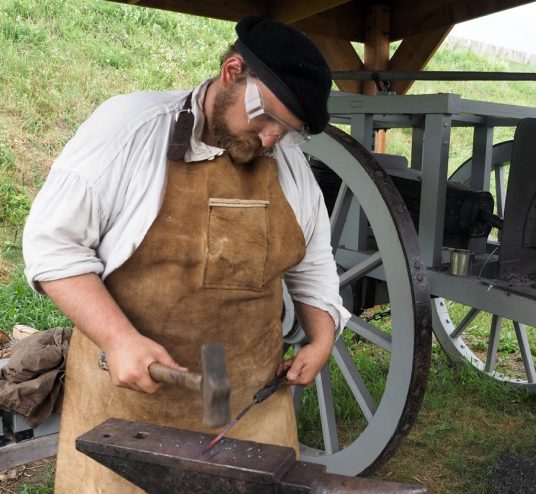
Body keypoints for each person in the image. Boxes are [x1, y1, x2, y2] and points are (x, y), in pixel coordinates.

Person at [22, 15, 350, 493]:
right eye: (266, 118)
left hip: (249, 412)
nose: (270, 140)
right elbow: (52, 246)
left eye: (288, 131)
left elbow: (312, 262)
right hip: (129, 413)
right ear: (232, 72)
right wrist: (118, 340)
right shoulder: (129, 129)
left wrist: (321, 336)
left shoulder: (287, 165)